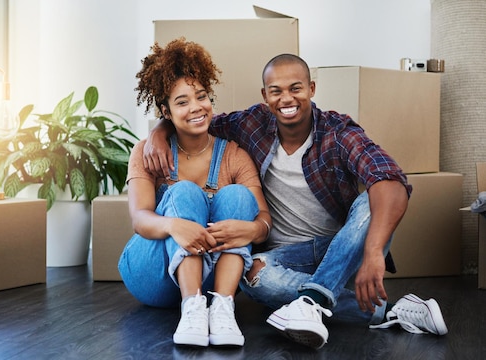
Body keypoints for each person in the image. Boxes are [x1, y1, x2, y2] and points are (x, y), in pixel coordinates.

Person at [143, 53, 448, 349]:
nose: (286, 99)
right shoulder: (252, 124)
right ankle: (389, 310)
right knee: (253, 278)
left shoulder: (338, 132)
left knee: (373, 197)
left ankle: (311, 302)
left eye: (296, 89)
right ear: (265, 95)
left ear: (311, 89)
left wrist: (372, 252)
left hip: (342, 249)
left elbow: (391, 180)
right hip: (283, 257)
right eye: (276, 91)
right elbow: (196, 118)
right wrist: (158, 131)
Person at [117, 38, 272, 348]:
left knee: (239, 198)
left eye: (201, 97)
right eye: (182, 101)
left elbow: (263, 215)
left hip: (215, 277)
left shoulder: (234, 155)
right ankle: (191, 307)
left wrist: (254, 228)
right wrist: (173, 225)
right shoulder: (147, 152)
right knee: (185, 191)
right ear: (166, 111)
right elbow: (139, 219)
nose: (196, 108)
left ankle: (222, 309)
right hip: (154, 275)